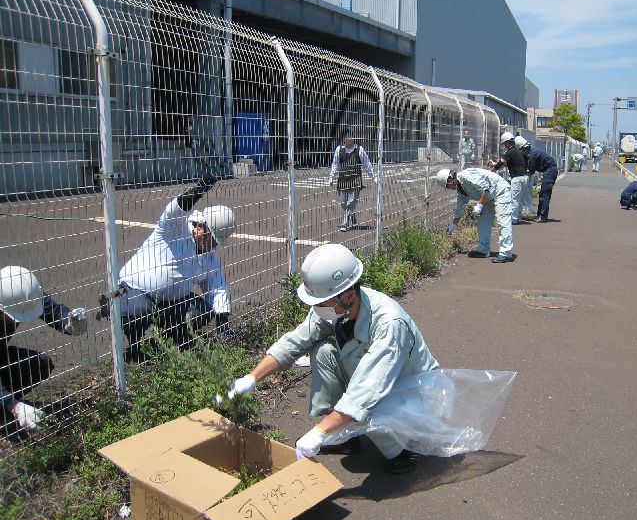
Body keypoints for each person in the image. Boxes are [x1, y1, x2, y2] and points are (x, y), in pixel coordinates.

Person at [217, 244, 439, 474]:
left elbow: (368, 389)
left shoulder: (389, 324)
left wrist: (318, 433)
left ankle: (403, 451)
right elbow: (296, 341)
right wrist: (251, 378)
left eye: (320, 303)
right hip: (375, 377)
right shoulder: (338, 305)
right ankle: (344, 436)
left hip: (410, 391)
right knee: (323, 351)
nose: (316, 308)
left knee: (369, 403)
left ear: (349, 296)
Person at [115, 172, 235, 360]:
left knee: (201, 312)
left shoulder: (209, 257)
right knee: (136, 312)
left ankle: (167, 339)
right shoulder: (173, 230)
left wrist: (223, 323)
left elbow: (217, 288)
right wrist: (199, 189)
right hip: (136, 290)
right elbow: (176, 209)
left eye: (217, 242)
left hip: (170, 301)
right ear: (200, 227)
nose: (214, 246)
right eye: (213, 239)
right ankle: (135, 348)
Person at [1, 266, 87, 432]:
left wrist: (70, 323)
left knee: (40, 363)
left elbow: (53, 311)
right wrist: (14, 406)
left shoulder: (20, 293)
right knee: (10, 403)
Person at [437, 167, 514, 263]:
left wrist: (479, 205)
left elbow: (486, 189)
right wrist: (454, 224)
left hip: (500, 191)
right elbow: (460, 207)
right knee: (483, 223)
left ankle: (506, 253)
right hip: (487, 199)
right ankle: (483, 250)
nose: (449, 188)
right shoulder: (460, 190)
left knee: (503, 221)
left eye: (447, 185)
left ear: (450, 179)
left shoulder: (467, 175)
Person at [327, 129, 375, 231]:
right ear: (344, 138)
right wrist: (331, 177)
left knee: (350, 202)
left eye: (351, 136)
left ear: (354, 137)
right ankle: (352, 215)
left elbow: (366, 164)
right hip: (343, 179)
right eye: (346, 136)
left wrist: (373, 177)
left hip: (355, 179)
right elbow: (335, 165)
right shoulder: (339, 149)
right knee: (343, 203)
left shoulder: (359, 149)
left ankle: (345, 224)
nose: (348, 138)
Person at [490, 132, 528, 224]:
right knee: (520, 200)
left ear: (507, 142)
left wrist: (492, 170)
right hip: (524, 177)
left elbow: (501, 163)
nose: (504, 145)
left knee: (514, 199)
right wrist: (496, 165)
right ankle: (518, 218)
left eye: (504, 143)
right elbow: (510, 164)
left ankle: (513, 219)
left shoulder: (510, 152)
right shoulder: (517, 151)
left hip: (517, 178)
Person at [519, 143, 559, 223]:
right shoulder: (533, 152)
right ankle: (539, 215)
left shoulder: (532, 155)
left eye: (522, 151)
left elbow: (531, 171)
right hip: (549, 171)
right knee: (542, 194)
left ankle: (543, 217)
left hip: (550, 171)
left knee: (545, 194)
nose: (522, 153)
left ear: (525, 149)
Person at [514, 136, 535, 215]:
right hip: (526, 175)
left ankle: (526, 211)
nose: (525, 151)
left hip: (526, 175)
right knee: (525, 194)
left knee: (526, 193)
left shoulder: (529, 153)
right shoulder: (527, 151)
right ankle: (525, 211)